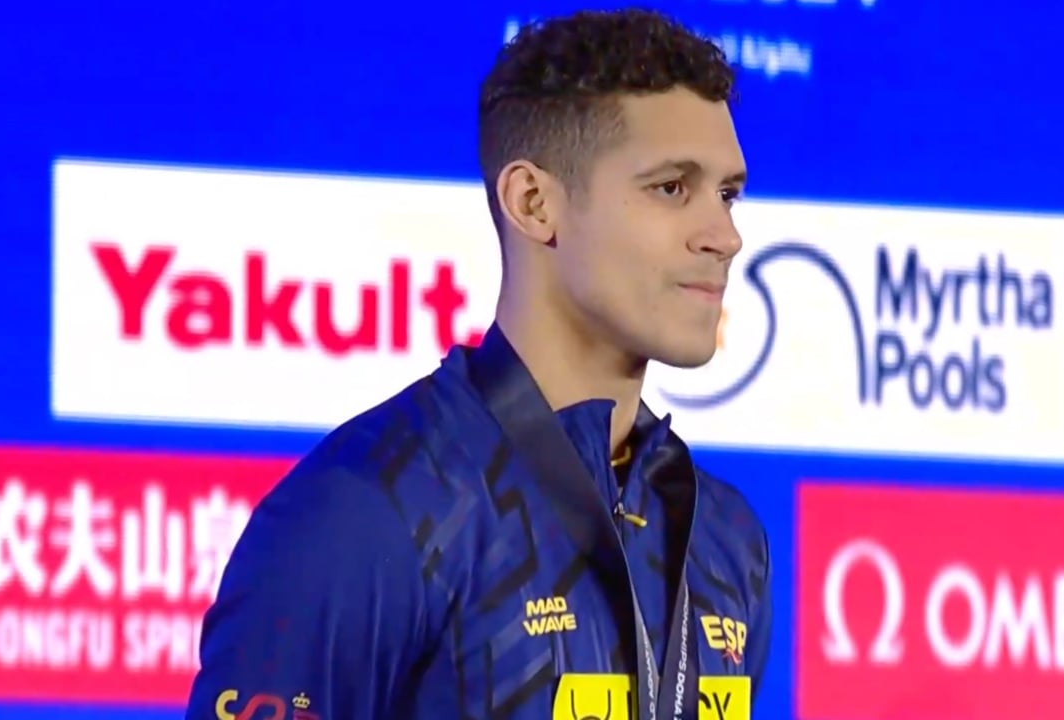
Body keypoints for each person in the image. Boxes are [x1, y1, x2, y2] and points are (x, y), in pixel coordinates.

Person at [184, 8, 771, 720]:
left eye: (728, 194)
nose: (724, 236)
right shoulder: (366, 511)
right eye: (672, 188)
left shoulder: (723, 537)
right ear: (534, 203)